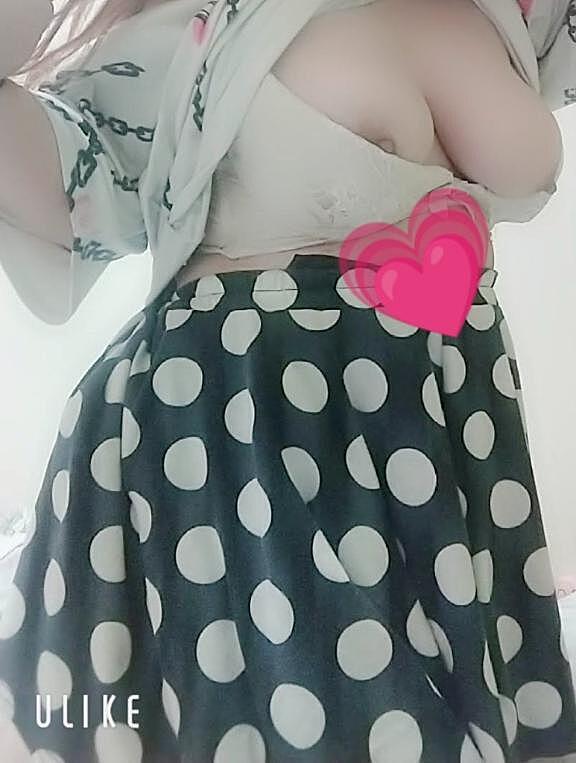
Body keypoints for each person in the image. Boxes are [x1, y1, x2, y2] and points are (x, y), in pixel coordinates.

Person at [0, 0, 575, 760]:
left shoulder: (522, 19)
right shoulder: (210, 30)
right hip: (240, 437)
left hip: (438, 439)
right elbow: (60, 182)